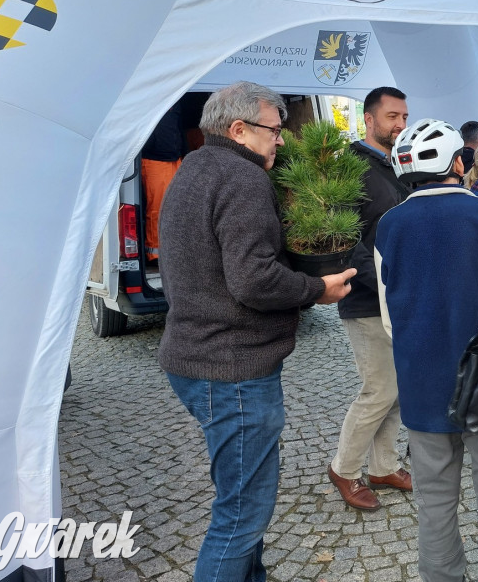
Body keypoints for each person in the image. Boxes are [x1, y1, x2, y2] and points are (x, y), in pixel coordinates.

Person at [157, 81, 356, 582]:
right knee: (241, 516)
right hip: (233, 370)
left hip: (199, 358)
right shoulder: (241, 179)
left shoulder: (196, 167)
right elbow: (254, 279)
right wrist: (317, 289)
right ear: (239, 129)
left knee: (241, 504)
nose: (282, 140)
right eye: (275, 129)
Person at [375, 119, 478, 582]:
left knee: (434, 501)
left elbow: (389, 318)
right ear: (459, 163)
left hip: (421, 380)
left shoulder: (388, 224)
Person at [329, 86, 414, 510]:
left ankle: (383, 466)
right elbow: (342, 238)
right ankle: (344, 469)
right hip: (366, 298)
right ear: (369, 118)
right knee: (379, 389)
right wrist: (380, 281)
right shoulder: (350, 168)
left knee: (396, 390)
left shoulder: (394, 164)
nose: (400, 124)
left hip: (396, 294)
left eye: (404, 117)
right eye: (392, 116)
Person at [141, 100, 185, 263]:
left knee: (179, 207)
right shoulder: (149, 97)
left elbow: (179, 129)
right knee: (157, 208)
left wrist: (183, 154)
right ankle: (155, 254)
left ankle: (176, 251)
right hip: (154, 160)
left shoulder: (176, 100)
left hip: (175, 157)